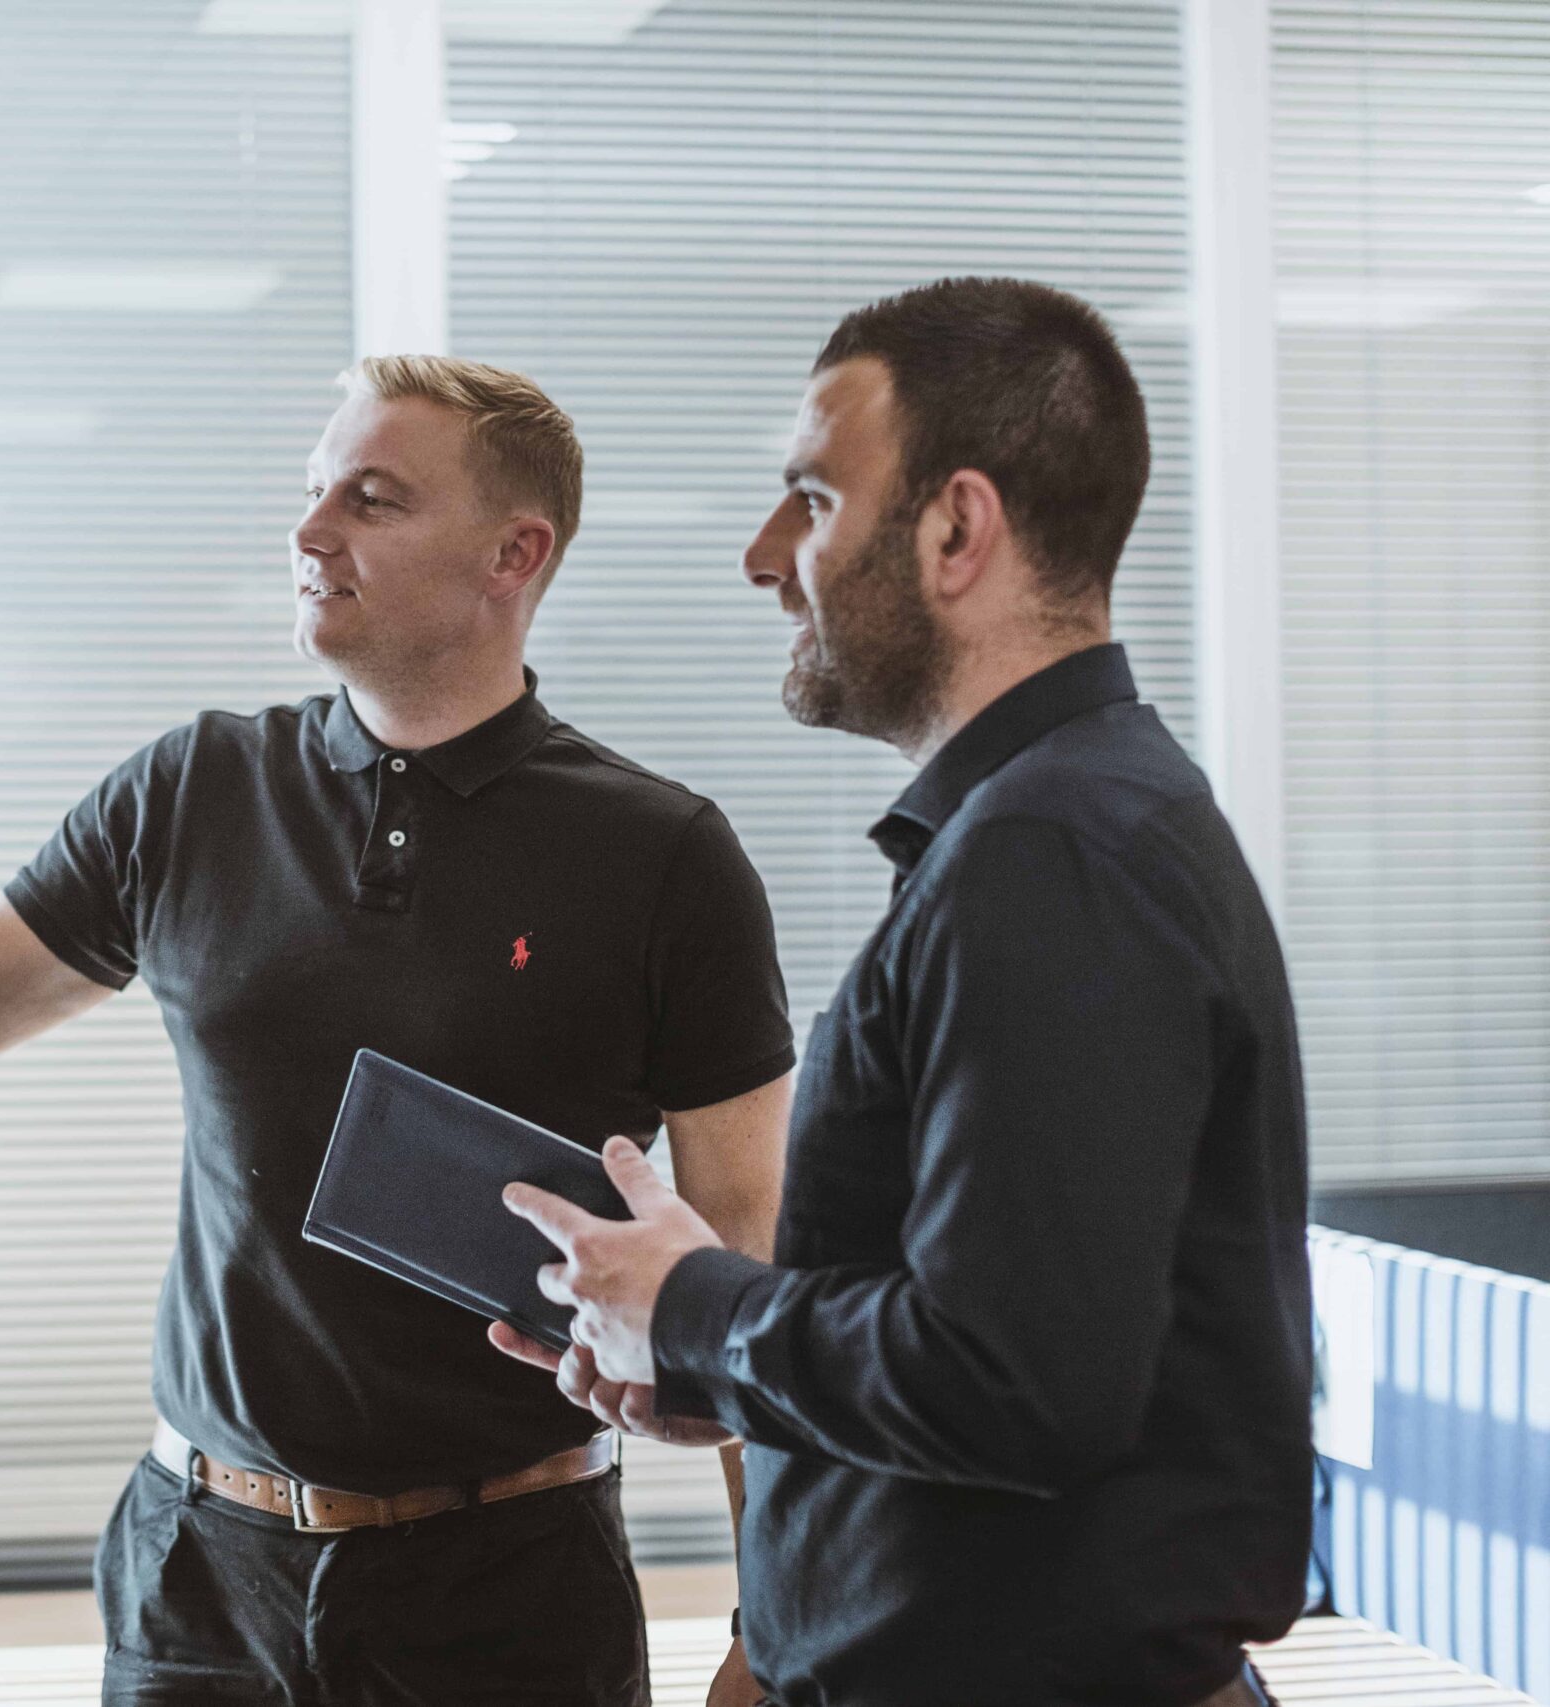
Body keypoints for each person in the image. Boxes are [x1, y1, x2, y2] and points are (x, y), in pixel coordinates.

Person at [0, 355, 798, 1706]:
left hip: (508, 1589)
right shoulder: (193, 795)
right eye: (313, 493)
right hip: (198, 1578)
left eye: (371, 499)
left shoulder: (662, 858)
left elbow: (749, 1263)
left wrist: (772, 1624)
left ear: (513, 553)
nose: (311, 534)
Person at [500, 278, 1311, 1707]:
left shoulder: (1055, 855)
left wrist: (697, 1308)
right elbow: (1004, 1344)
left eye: (811, 501)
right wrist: (716, 1363)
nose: (764, 556)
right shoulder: (1052, 827)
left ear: (956, 530)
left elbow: (1015, 1379)